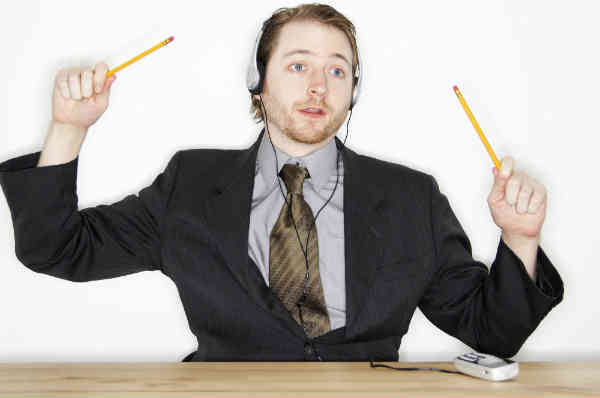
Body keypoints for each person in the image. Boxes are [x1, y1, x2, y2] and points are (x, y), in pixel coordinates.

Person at [0, 3, 563, 362]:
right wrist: (68, 129)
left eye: (337, 70)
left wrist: (520, 237)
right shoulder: (190, 184)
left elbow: (493, 333)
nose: (318, 85)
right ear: (258, 83)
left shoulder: (412, 198)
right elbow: (56, 249)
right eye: (298, 65)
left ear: (353, 92)